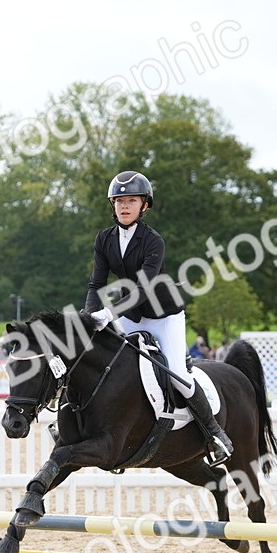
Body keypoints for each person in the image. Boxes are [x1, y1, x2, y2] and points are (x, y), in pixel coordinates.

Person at [83, 169, 231, 465]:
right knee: (102, 360)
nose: (124, 206)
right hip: (132, 315)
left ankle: (214, 434)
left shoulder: (153, 241)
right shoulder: (104, 239)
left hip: (164, 315)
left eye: (131, 200)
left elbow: (141, 288)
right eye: (119, 201)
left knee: (177, 372)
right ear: (112, 205)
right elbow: (96, 284)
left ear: (144, 205)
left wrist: (108, 313)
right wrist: (89, 319)